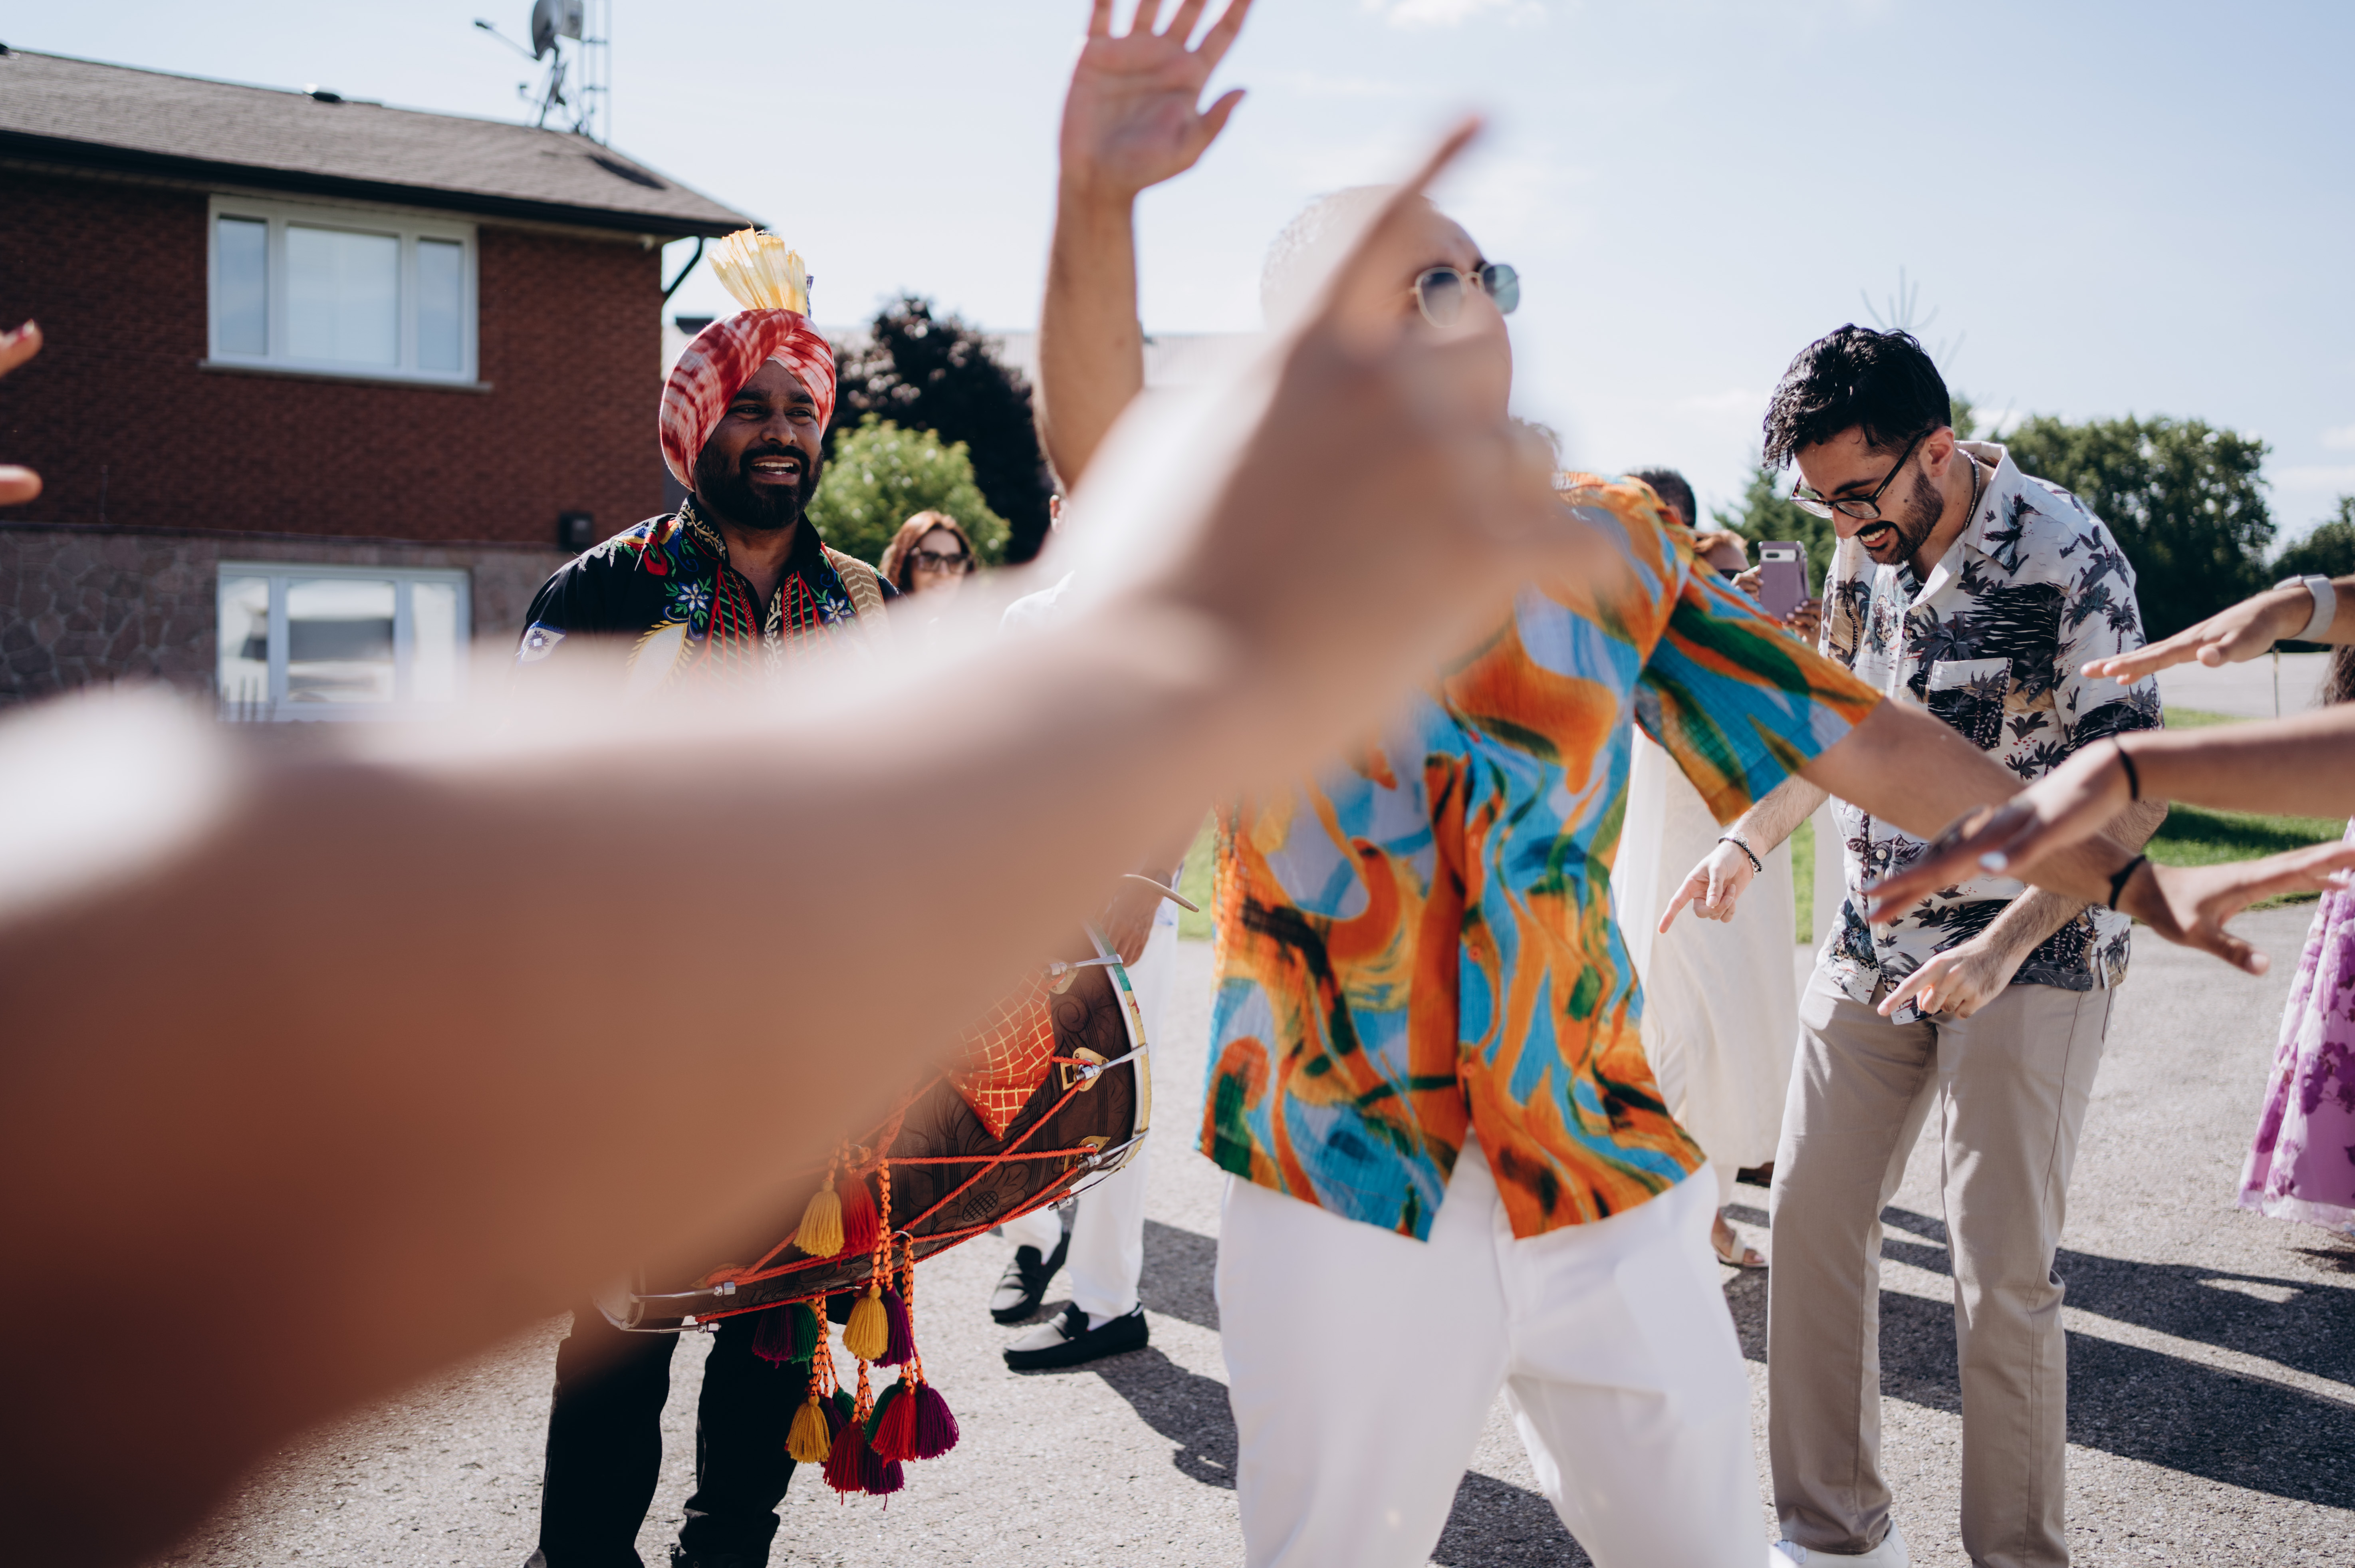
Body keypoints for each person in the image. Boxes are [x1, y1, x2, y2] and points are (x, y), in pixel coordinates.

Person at [1036, 13, 2156, 1566]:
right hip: (1346, 1171)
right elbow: (1103, 458)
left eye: (1483, 276)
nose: (1476, 306)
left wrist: (2103, 855)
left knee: (1706, 1544)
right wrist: (1095, 207)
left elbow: (1851, 733)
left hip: (1594, 1156)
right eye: (1425, 281)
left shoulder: (1611, 541)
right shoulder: (1250, 525)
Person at [1661, 325, 2172, 1568]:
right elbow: (1839, 726)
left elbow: (2137, 792)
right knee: (1809, 1229)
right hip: (1871, 944)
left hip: (2034, 950)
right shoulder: (1861, 550)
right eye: (1820, 500)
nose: (1843, 523)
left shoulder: (2068, 556)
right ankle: (1831, 1537)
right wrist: (1744, 841)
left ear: (1935, 451)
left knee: (2000, 1273)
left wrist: (2000, 946)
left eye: (1859, 493)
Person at [514, 230, 901, 1568]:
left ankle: (726, 1549)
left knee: (777, 1324)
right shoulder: (601, 592)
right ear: (694, 423)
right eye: (752, 405)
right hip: (638, 1050)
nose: (782, 431)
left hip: (816, 1052)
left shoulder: (862, 603)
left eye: (801, 407)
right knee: (619, 1335)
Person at [1610, 470, 1790, 1270]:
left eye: (1671, 525)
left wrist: (1770, 625)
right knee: (1675, 1028)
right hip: (1668, 839)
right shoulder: (1623, 610)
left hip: (1745, 835)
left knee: (1736, 1029)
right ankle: (1658, 1219)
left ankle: (1706, 1211)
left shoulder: (1723, 606)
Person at [877, 510, 980, 600]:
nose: (943, 573)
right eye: (930, 559)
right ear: (904, 564)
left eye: (955, 561)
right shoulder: (872, 615)